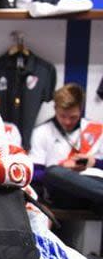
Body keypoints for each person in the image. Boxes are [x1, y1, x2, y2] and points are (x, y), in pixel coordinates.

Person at [30, 83, 103, 211]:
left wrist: (94, 162)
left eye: (73, 117)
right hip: (62, 193)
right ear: (55, 109)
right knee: (53, 172)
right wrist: (63, 168)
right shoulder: (42, 132)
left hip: (93, 192)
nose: (67, 122)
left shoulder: (96, 130)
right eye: (62, 116)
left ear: (81, 109)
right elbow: (34, 174)